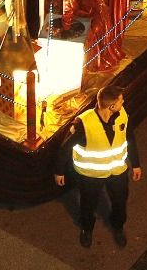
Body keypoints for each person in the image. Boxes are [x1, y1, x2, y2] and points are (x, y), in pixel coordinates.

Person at [55, 86, 141, 248]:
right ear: (112, 106)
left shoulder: (122, 115)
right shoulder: (83, 123)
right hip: (90, 175)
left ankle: (118, 227)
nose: (123, 103)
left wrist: (136, 164)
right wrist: (59, 171)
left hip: (117, 172)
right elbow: (65, 148)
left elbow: (129, 138)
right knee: (88, 205)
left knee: (120, 202)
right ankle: (86, 229)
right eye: (121, 101)